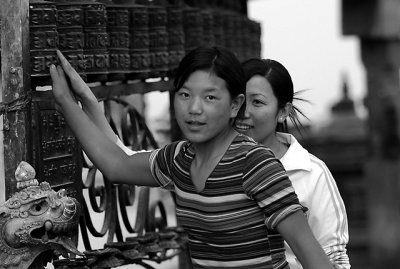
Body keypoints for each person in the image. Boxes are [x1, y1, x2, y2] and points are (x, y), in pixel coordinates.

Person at [50, 47, 334, 269]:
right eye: (184, 95)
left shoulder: (256, 165)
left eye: (210, 98)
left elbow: (314, 259)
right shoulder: (178, 159)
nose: (194, 109)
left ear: (235, 105)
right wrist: (72, 100)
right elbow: (116, 164)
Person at [234, 58, 350, 269]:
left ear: (284, 111)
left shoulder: (310, 172)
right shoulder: (210, 163)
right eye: (239, 100)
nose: (244, 112)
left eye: (257, 102)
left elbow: (334, 257)